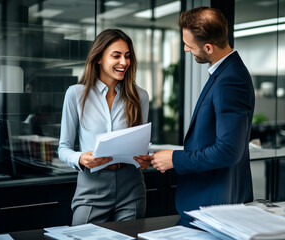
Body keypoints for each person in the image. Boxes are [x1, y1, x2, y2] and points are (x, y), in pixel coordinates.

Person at [151, 6, 255, 227]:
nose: (186, 50)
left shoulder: (230, 80)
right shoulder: (225, 73)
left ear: (208, 47)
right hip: (212, 203)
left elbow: (228, 151)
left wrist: (175, 159)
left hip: (215, 205)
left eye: (189, 45)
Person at [58, 29, 151, 225]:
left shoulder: (140, 96)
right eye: (116, 56)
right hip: (92, 185)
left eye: (127, 56)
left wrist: (144, 158)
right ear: (99, 58)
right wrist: (80, 158)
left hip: (131, 186)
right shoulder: (76, 94)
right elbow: (63, 148)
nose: (124, 62)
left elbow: (141, 144)